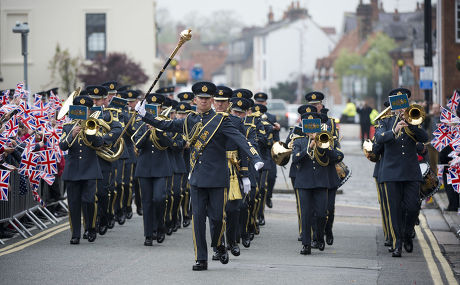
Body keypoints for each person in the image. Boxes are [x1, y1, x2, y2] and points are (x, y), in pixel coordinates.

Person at [135, 81, 264, 271]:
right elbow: (166, 124)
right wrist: (144, 114)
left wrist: (255, 157)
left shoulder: (221, 120)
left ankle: (219, 245)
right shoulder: (190, 120)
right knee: (198, 220)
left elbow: (240, 139)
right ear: (195, 100)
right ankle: (200, 258)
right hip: (197, 178)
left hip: (218, 179)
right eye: (200, 98)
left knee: (218, 219)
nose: (203, 101)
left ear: (211, 100)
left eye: (207, 99)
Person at [375, 88, 428, 257]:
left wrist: (411, 123)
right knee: (395, 209)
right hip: (391, 172)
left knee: (412, 207)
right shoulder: (385, 121)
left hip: (411, 171)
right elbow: (379, 138)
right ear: (392, 105)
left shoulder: (414, 119)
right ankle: (397, 244)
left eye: (402, 103)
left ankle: (406, 233)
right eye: (397, 104)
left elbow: (424, 137)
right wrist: (394, 130)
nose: (400, 107)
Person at [292, 107, 343, 255]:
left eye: (313, 124)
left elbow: (337, 156)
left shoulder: (326, 139)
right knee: (306, 214)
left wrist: (324, 145)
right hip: (304, 183)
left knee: (321, 213)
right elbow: (295, 159)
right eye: (308, 124)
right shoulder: (299, 141)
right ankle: (306, 244)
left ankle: (319, 236)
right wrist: (310, 146)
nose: (311, 127)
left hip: (321, 182)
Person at [59, 95, 104, 244]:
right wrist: (72, 134)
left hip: (90, 169)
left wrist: (90, 132)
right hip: (73, 171)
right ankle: (75, 234)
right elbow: (62, 146)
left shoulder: (94, 124)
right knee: (73, 203)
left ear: (90, 111)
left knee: (89, 200)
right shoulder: (68, 127)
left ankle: (91, 228)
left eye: (86, 109)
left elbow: (99, 143)